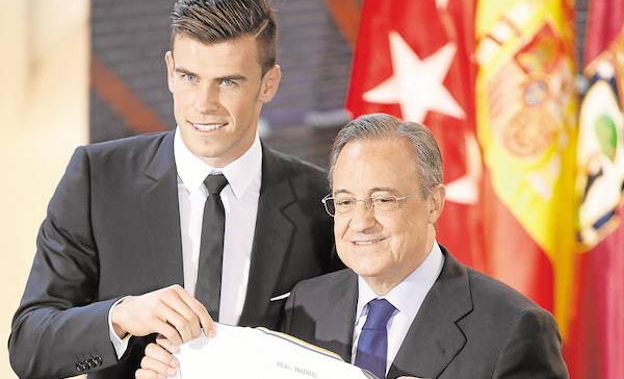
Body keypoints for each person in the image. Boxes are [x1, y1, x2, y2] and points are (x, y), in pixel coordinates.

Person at [8, 0, 338, 378]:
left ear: (269, 83)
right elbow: (29, 345)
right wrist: (122, 317)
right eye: (189, 77)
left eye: (227, 82)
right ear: (169, 71)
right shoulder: (98, 179)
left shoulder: (321, 202)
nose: (203, 104)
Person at [139, 113, 568, 379]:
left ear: (433, 202)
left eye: (383, 199)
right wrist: (181, 373)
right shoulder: (304, 305)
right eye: (345, 201)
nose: (360, 222)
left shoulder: (514, 328)